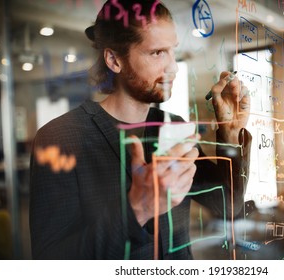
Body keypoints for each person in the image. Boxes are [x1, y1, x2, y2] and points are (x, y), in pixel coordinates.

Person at [29, 0, 251, 260]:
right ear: (114, 60)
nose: (174, 67)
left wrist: (231, 132)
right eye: (157, 53)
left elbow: (228, 206)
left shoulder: (173, 126)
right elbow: (51, 262)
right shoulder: (60, 138)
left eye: (172, 51)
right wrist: (137, 209)